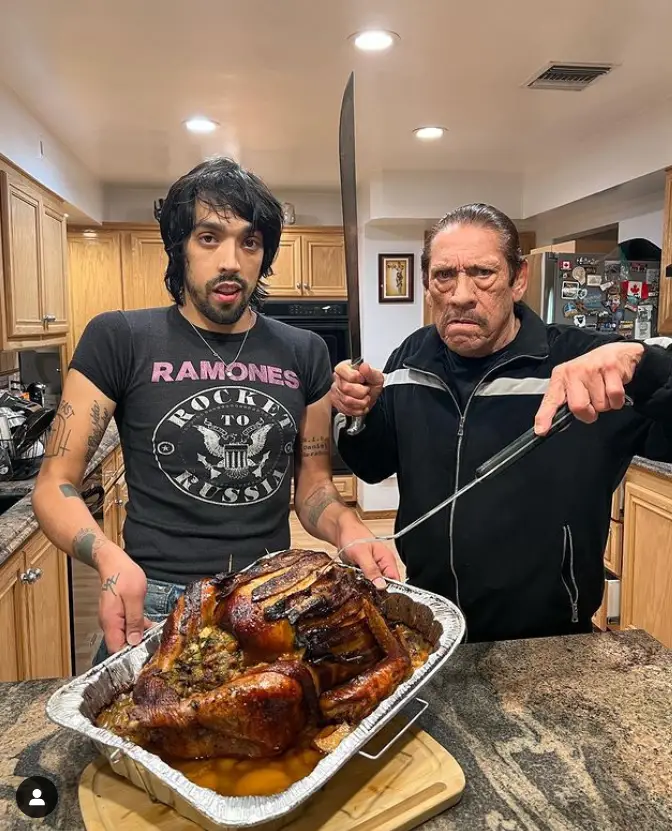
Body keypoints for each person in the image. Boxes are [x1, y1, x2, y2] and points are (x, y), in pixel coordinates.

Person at [32, 156, 396, 665]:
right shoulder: (120, 339)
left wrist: (350, 529)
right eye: (209, 237)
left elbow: (313, 488)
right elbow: (55, 483)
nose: (231, 260)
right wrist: (110, 559)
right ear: (179, 247)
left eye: (249, 242)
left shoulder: (304, 352)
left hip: (268, 599)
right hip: (156, 603)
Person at [331, 203, 672, 643]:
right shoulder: (410, 357)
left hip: (548, 643)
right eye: (444, 276)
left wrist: (641, 364)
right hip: (429, 626)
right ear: (427, 285)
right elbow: (374, 464)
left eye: (483, 273)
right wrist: (355, 413)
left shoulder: (582, 364)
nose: (460, 294)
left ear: (519, 280)